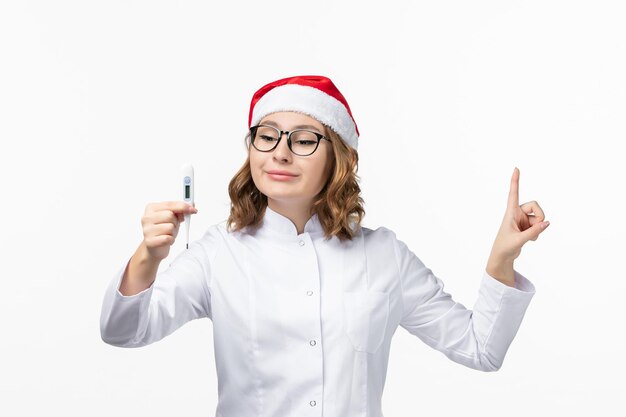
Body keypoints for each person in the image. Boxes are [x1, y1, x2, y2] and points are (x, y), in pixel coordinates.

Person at [100, 75, 549, 417]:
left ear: (337, 157)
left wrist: (502, 258)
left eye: (303, 139)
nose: (280, 152)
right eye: (267, 135)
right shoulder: (219, 253)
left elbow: (480, 349)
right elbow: (123, 331)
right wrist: (148, 257)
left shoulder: (384, 256)